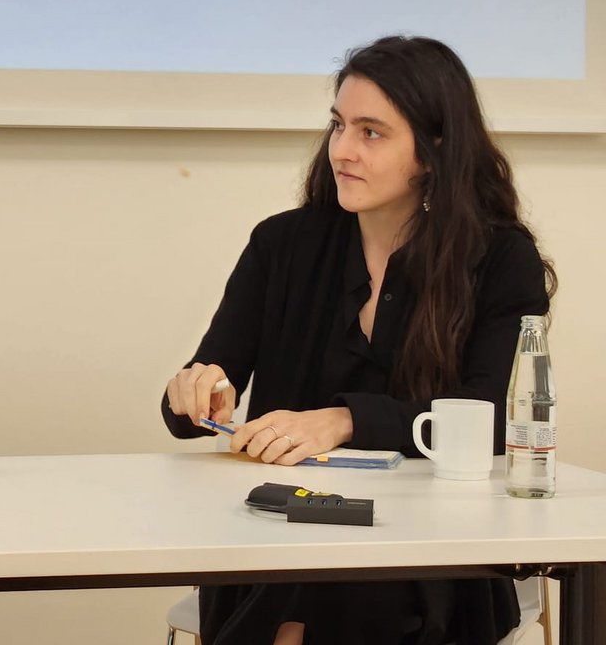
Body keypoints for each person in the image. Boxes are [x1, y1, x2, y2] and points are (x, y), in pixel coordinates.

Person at [161, 35, 554, 645]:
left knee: (327, 601)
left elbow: (497, 420)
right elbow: (204, 388)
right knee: (299, 588)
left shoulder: (500, 258)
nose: (342, 150)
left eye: (372, 132)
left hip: (435, 542)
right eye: (338, 125)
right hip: (283, 529)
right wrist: (196, 391)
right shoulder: (282, 244)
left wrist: (346, 421)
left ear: (434, 149)